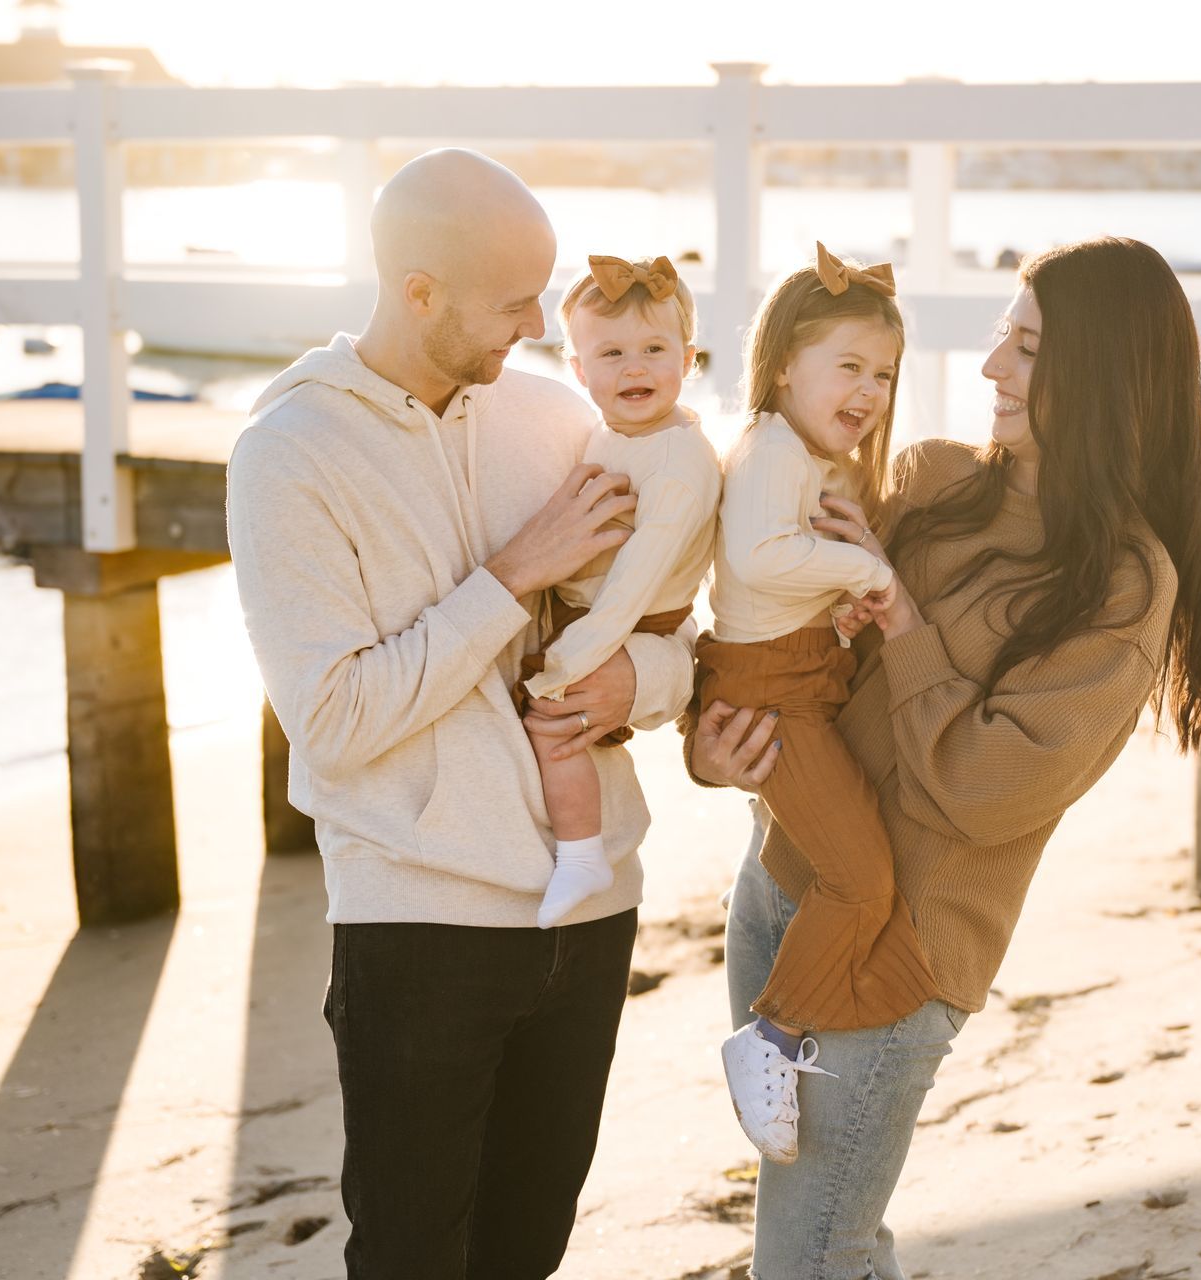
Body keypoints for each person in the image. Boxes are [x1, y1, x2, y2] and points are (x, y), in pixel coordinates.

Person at [688, 236, 1201, 1279]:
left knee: (807, 1254)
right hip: (774, 888)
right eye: (998, 339)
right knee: (834, 1236)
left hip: (902, 948)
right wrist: (716, 751)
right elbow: (792, 648)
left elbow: (984, 789)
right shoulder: (929, 478)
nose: (991, 370)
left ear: (1103, 374)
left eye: (1025, 348)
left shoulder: (1124, 583)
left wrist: (902, 615)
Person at [225, 149, 695, 1279]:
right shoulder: (288, 452)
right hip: (418, 925)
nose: (539, 325)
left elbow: (676, 628)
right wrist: (511, 572)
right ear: (418, 290)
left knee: (526, 1255)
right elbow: (334, 718)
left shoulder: (552, 416)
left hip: (589, 911)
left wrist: (648, 684)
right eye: (513, 299)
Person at [696, 244, 939, 1166]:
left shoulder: (803, 457)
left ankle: (793, 1028)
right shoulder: (767, 449)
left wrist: (843, 592)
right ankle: (774, 1035)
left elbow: (782, 571)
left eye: (883, 373)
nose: (871, 390)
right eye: (849, 367)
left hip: (796, 680)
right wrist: (866, 570)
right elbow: (758, 560)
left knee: (851, 862)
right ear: (785, 362)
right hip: (775, 694)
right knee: (860, 879)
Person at [518, 254, 720, 928]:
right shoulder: (613, 432)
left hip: (627, 623)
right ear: (579, 371)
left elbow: (634, 584)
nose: (635, 368)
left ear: (688, 358)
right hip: (593, 610)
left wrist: (568, 662)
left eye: (654, 349)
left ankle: (581, 855)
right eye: (612, 353)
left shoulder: (681, 463)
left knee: (556, 723)